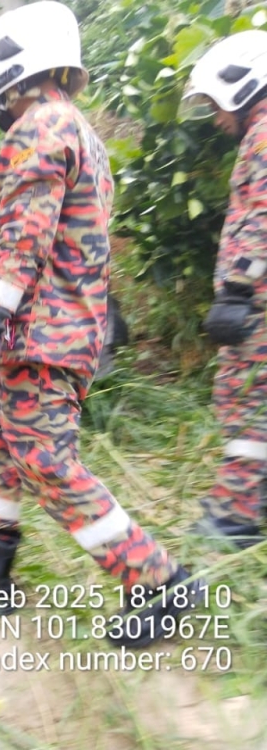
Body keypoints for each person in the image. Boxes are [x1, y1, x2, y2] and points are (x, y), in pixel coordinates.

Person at [0, 0, 202, 648]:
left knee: (45, 460)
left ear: (16, 71)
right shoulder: (79, 129)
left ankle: (159, 580)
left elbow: (22, 237)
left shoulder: (39, 127)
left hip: (40, 334)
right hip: (57, 330)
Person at [179, 30, 267, 549]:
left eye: (215, 105)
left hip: (257, 302)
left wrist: (236, 290)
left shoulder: (262, 136)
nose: (216, 119)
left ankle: (235, 517)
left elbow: (261, 218)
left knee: (243, 399)